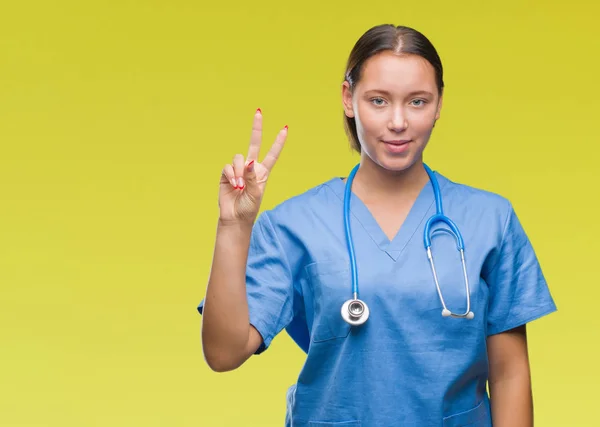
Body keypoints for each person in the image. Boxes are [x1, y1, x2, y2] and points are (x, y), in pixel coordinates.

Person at [197, 24, 557, 427]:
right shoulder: (293, 225)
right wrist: (233, 226)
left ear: (439, 104)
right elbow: (224, 353)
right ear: (349, 99)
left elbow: (509, 374)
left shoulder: (490, 220)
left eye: (418, 101)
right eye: (379, 101)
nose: (398, 122)